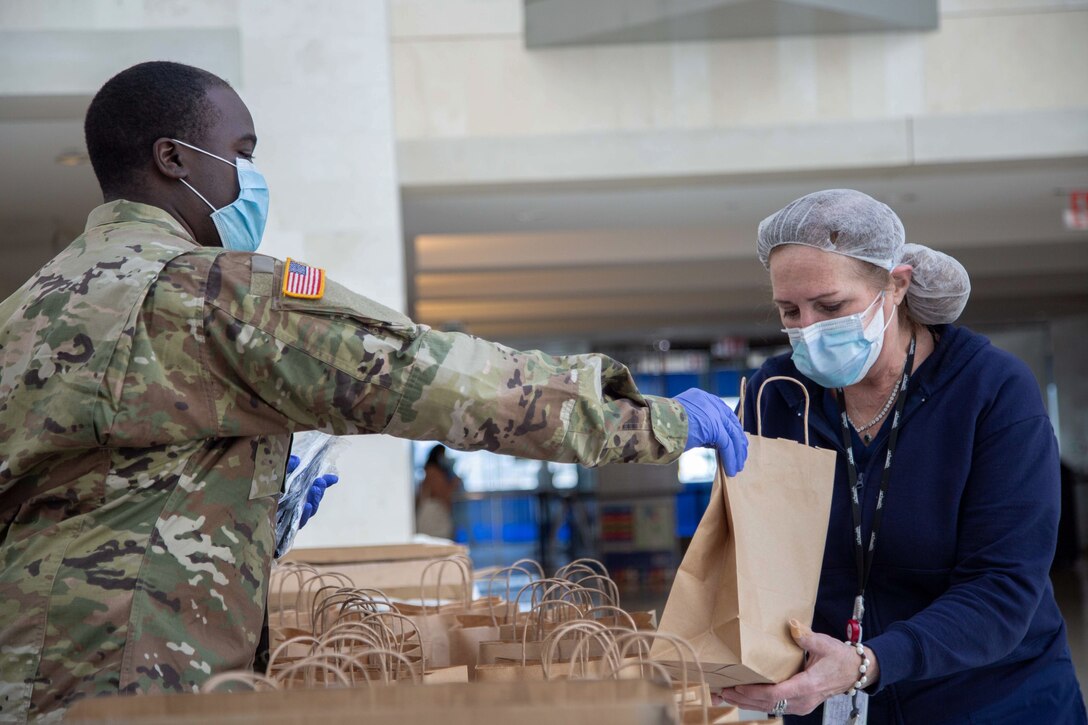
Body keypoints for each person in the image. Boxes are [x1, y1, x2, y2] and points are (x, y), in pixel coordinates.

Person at [0, 61, 746, 722]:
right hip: (144, 677)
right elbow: (433, 377)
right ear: (172, 158)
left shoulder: (26, 309)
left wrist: (242, 512)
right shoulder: (210, 294)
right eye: (242, 153)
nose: (250, 177)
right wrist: (653, 421)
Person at [718, 190, 1085, 723]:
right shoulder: (775, 394)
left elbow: (1002, 587)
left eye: (831, 306)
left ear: (895, 286)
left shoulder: (992, 392)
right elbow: (752, 561)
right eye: (788, 311)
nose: (808, 329)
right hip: (833, 701)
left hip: (991, 698)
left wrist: (869, 662)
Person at [415, 445, 460, 539]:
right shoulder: (433, 471)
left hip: (433, 517)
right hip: (434, 519)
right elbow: (442, 494)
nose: (446, 458)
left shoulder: (431, 471)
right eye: (443, 455)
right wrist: (454, 483)